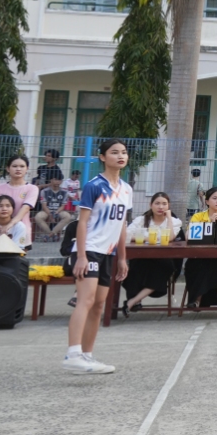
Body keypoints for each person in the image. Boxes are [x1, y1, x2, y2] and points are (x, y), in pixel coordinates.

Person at [62, 139, 131, 375]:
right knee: (86, 300)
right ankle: (73, 354)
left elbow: (121, 225)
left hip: (108, 252)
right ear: (102, 157)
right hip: (89, 249)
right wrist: (81, 256)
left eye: (124, 152)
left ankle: (87, 356)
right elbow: (81, 223)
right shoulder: (94, 186)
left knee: (99, 304)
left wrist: (121, 257)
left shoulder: (126, 189)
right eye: (114, 152)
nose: (120, 156)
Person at [121, 193, 182, 316]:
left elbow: (170, 237)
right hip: (143, 257)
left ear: (168, 206)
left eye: (164, 204)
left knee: (163, 268)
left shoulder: (175, 222)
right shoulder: (141, 220)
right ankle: (134, 301)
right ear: (151, 205)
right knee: (135, 268)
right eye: (157, 203)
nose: (161, 207)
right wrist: (145, 238)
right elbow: (126, 235)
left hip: (163, 259)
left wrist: (169, 218)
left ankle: (132, 301)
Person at [184, 188, 217, 309]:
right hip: (199, 256)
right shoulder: (198, 216)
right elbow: (188, 236)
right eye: (215, 198)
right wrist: (209, 225)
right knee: (202, 265)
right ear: (207, 201)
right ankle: (196, 300)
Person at [0, 156, 38, 233]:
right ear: (8, 168)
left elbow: (26, 208)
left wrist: (11, 224)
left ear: (27, 169)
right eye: (14, 166)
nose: (18, 169)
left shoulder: (32, 188)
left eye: (22, 166)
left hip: (21, 231)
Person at [34, 171, 74, 242]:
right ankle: (52, 234)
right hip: (47, 211)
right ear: (51, 180)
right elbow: (44, 206)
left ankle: (49, 235)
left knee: (67, 216)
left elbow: (62, 206)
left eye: (59, 180)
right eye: (55, 179)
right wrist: (50, 214)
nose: (57, 182)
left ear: (61, 181)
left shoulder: (64, 192)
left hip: (58, 211)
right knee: (38, 217)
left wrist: (56, 213)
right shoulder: (44, 191)